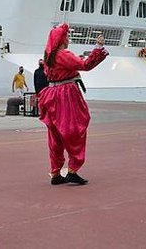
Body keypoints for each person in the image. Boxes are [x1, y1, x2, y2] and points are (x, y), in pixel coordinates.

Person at [37, 23, 108, 185]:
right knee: (75, 130)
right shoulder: (63, 54)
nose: (68, 39)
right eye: (67, 36)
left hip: (51, 94)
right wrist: (98, 48)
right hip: (66, 95)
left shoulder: (49, 56)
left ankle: (55, 173)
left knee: (55, 136)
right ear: (62, 39)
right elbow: (85, 65)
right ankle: (73, 169)